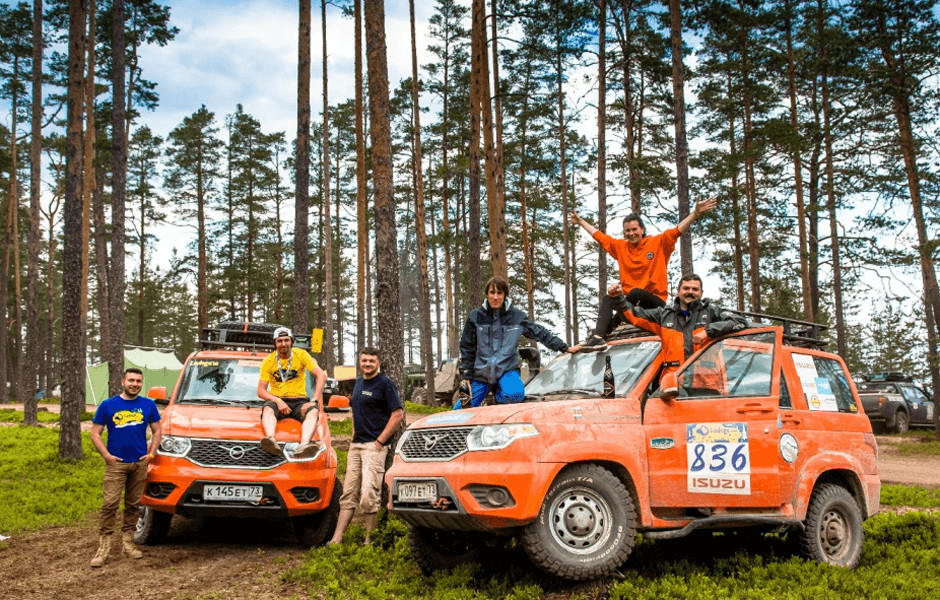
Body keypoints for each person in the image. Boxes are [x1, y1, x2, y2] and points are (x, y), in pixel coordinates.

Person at [570, 198, 717, 350]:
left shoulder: (657, 243)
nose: (631, 233)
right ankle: (599, 337)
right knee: (609, 298)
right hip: (629, 304)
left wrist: (694, 213)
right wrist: (581, 221)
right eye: (628, 231)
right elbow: (600, 237)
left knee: (634, 294)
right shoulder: (620, 247)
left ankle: (610, 327)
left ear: (642, 230)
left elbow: (677, 231)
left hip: (654, 302)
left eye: (634, 229)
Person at [457, 276, 579, 409]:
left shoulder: (517, 317)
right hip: (482, 374)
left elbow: (540, 332)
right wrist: (467, 376)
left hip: (507, 370)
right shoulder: (475, 316)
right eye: (492, 293)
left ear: (505, 295)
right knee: (460, 410)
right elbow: (466, 346)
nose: (496, 297)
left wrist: (565, 347)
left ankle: (495, 402)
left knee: (515, 395)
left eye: (499, 293)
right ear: (487, 294)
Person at [328, 347, 404, 546]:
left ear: (378, 363)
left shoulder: (385, 384)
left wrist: (380, 442)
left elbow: (398, 414)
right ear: (359, 362)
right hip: (356, 445)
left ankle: (370, 540)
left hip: (374, 446)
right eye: (364, 361)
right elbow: (356, 410)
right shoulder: (359, 382)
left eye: (371, 361)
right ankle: (336, 539)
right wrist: (353, 434)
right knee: (349, 493)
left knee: (369, 494)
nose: (367, 364)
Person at [89, 368, 163, 567]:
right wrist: (106, 456)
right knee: (110, 504)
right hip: (116, 464)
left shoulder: (148, 405)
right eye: (131, 380)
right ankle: (103, 547)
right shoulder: (108, 405)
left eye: (138, 381)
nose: (135, 384)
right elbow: (95, 433)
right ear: (123, 382)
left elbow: (157, 430)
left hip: (139, 463)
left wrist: (152, 454)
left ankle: (128, 543)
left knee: (133, 504)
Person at [612, 274, 748, 377]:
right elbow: (632, 315)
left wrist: (708, 330)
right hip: (672, 386)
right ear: (678, 291)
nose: (690, 292)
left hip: (707, 387)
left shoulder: (712, 312)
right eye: (686, 288)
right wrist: (618, 298)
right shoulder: (663, 315)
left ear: (701, 293)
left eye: (695, 289)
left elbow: (740, 321)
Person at [256, 326, 327, 458]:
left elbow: (321, 375)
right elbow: (260, 391)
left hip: (299, 401)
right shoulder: (268, 361)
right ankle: (270, 440)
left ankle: (304, 445)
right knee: (267, 409)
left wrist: (314, 400)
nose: (283, 344)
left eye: (286, 340)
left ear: (291, 341)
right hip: (277, 400)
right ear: (275, 343)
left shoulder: (301, 355)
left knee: (314, 411)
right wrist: (278, 401)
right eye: (279, 341)